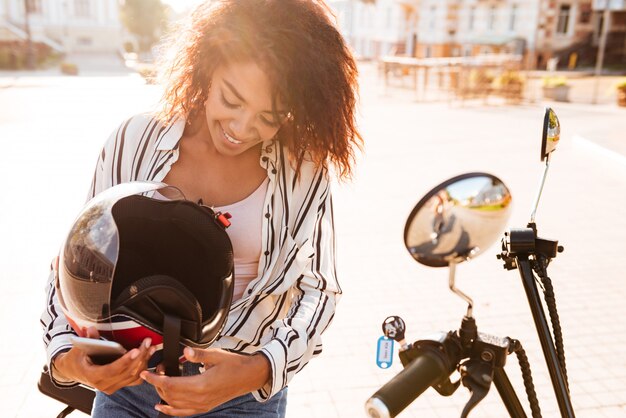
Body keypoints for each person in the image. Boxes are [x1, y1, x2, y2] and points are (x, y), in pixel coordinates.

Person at [40, 0, 362, 416]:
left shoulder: (303, 171)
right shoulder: (134, 139)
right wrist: (66, 358)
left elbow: (321, 291)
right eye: (232, 99)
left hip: (241, 399)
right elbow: (76, 259)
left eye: (269, 116)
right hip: (128, 391)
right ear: (207, 67)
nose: (243, 129)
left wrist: (256, 371)